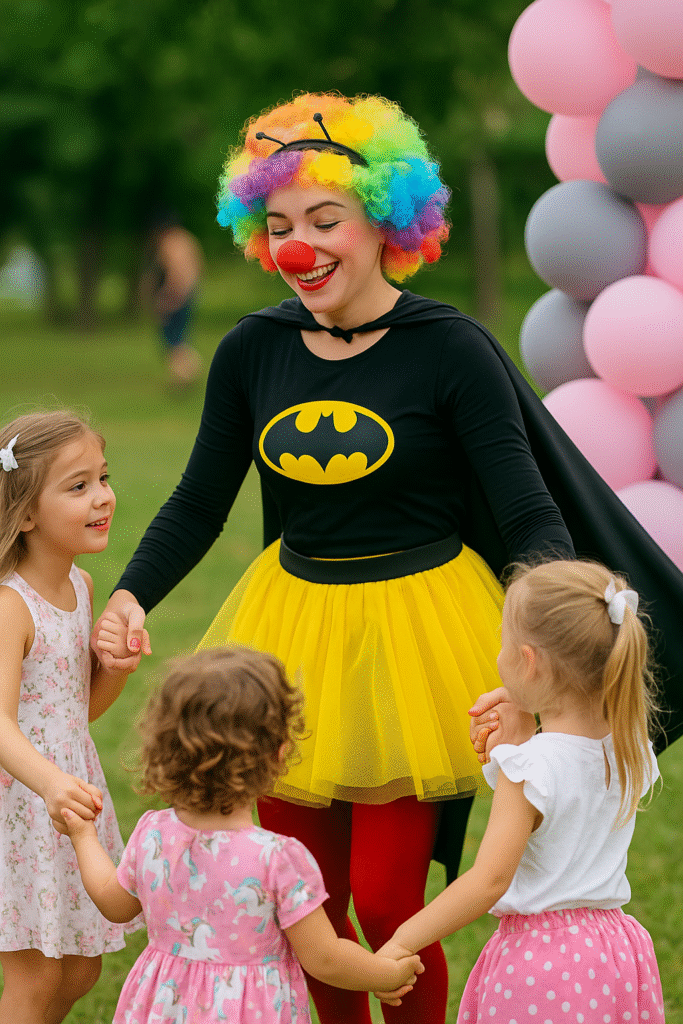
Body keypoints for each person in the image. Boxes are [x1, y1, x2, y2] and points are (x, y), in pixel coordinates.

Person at [93, 92, 683, 1023]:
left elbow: (528, 511)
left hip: (420, 636)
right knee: (307, 908)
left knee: (388, 903)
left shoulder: (449, 349)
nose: (300, 246)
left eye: (326, 220)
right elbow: (203, 498)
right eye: (279, 224)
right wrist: (130, 593)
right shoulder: (253, 350)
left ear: (386, 225)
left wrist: (543, 664)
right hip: (292, 629)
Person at [61, 646, 424, 1023]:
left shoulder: (154, 833)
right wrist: (384, 973)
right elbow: (325, 958)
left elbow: (112, 902)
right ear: (278, 755)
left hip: (165, 1006)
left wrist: (83, 835)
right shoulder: (277, 859)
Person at [376, 559, 664, 1023]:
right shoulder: (630, 748)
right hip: (613, 954)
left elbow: (489, 880)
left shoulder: (530, 768)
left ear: (528, 661)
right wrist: (528, 726)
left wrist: (402, 940)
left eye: (503, 644)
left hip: (543, 963)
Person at [0, 411, 146, 1024]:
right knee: (35, 978)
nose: (103, 497)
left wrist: (113, 669)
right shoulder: (11, 605)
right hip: (24, 807)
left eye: (103, 478)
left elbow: (73, 713)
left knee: (82, 965)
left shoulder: (81, 586)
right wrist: (52, 784)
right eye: (78, 486)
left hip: (69, 800)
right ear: (26, 514)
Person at [141, 211, 203, 387]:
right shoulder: (187, 239)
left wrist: (168, 297)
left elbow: (177, 273)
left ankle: (184, 376)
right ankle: (187, 374)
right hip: (191, 293)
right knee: (181, 337)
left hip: (177, 294)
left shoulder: (170, 243)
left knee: (173, 340)